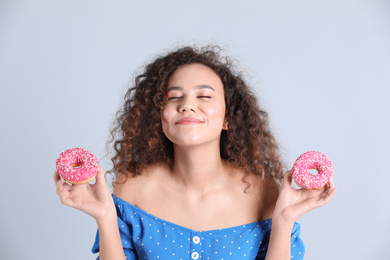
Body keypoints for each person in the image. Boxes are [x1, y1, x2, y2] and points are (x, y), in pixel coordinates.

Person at [54, 45, 336, 260]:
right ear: (160, 116)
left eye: (204, 96)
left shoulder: (264, 191)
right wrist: (105, 216)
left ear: (229, 118)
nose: (187, 105)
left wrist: (284, 221)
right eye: (174, 97)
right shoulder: (132, 187)